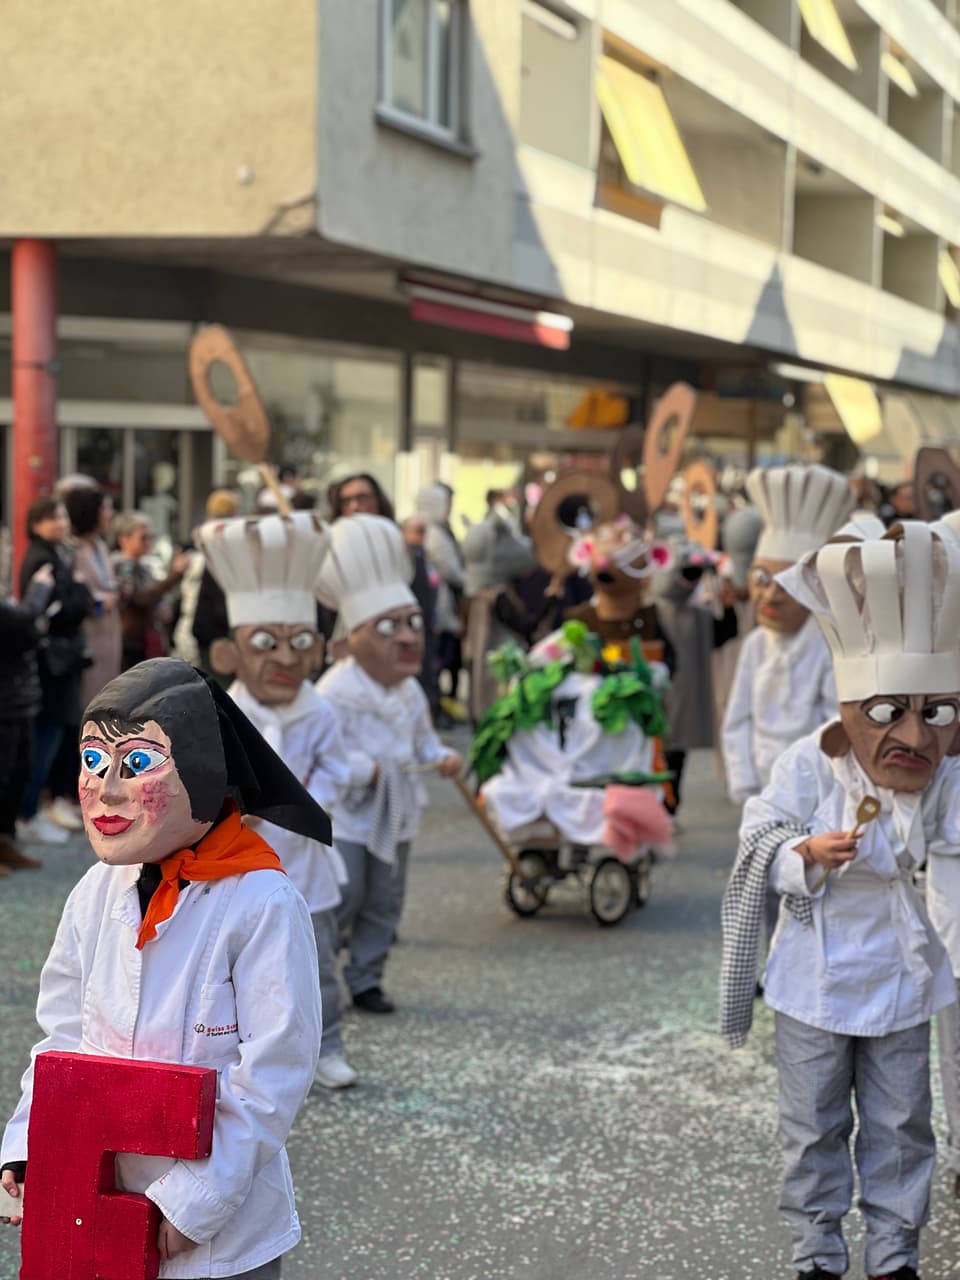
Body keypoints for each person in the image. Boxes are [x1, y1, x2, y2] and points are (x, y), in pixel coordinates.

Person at [0, 658, 326, 1279]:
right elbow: (64, 1037)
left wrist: (194, 1202)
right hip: (97, 1203)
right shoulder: (97, 890)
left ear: (205, 772)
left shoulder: (262, 903)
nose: (107, 789)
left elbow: (274, 1073)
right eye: (94, 763)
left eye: (139, 764)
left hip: (219, 1239)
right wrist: (30, 1145)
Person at [721, 520, 959, 1280]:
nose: (916, 736)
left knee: (899, 1127)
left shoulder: (949, 778)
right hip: (814, 979)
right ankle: (816, 1255)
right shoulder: (807, 764)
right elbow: (758, 834)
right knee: (812, 1127)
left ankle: (894, 1257)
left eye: (940, 714)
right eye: (891, 713)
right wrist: (804, 855)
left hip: (902, 975)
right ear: (851, 709)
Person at [197, 510, 359, 1090]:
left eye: (299, 643)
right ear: (229, 653)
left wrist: (310, 801)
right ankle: (246, 1057)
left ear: (318, 649)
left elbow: (339, 771)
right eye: (266, 643)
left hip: (306, 866)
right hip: (239, 868)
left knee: (318, 968)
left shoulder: (322, 710)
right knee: (238, 968)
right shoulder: (222, 712)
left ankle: (327, 1046)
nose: (285, 659)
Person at [316, 515, 462, 1014]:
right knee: (345, 893)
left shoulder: (409, 691)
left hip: (398, 811)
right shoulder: (335, 689)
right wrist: (365, 769)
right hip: (351, 815)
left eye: (412, 624)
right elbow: (324, 753)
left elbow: (422, 744)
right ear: (353, 636)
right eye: (389, 626)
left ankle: (367, 976)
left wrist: (441, 759)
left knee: (386, 898)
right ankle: (317, 971)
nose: (407, 637)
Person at [721, 466, 856, 807]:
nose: (770, 596)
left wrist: (824, 784)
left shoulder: (829, 647)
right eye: (761, 580)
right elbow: (737, 719)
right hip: (761, 782)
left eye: (786, 585)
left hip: (814, 786)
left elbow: (835, 723)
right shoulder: (755, 645)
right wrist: (743, 780)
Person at [17, 498, 93, 846]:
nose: (59, 522)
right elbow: (59, 608)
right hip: (51, 662)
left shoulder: (56, 555)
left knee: (55, 734)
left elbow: (74, 599)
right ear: (35, 524)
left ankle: (35, 807)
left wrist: (76, 592)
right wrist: (78, 593)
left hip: (61, 660)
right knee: (45, 737)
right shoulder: (41, 558)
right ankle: (29, 811)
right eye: (51, 518)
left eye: (62, 515)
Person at [0, 564, 55, 872]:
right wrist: (39, 590)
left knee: (20, 773)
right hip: (5, 701)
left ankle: (5, 841)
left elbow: (27, 630)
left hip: (19, 698)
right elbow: (22, 620)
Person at [112, 511, 190, 670]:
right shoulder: (122, 566)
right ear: (124, 539)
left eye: (149, 537)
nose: (148, 542)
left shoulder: (145, 565)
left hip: (146, 640)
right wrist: (174, 574)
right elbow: (141, 598)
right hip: (130, 643)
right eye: (142, 538)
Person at [174, 489, 239, 669]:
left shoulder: (196, 541)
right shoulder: (232, 542)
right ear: (235, 512)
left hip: (190, 623)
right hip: (214, 628)